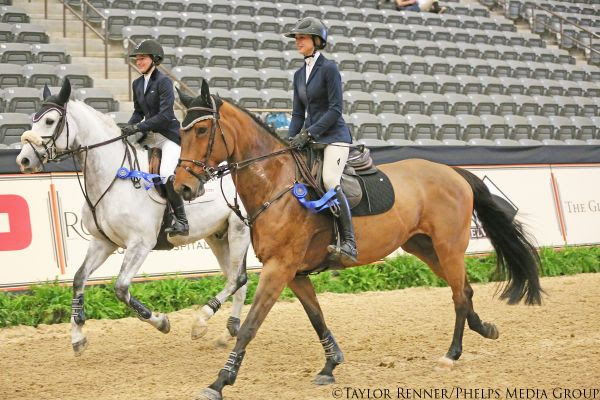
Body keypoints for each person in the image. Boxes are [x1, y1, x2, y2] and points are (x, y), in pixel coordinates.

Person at [284, 17, 358, 263]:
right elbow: (297, 114)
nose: (298, 42)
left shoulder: (329, 69)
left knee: (329, 180)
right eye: (296, 39)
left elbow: (335, 109)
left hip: (334, 137)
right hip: (311, 138)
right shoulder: (298, 74)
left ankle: (349, 242)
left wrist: (309, 133)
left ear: (317, 40)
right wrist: (289, 140)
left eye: (302, 38)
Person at [120, 39, 189, 236]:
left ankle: (181, 221)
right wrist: (127, 128)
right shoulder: (137, 83)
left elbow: (165, 115)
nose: (139, 62)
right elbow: (137, 111)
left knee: (166, 173)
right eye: (137, 59)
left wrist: (138, 126)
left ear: (154, 59)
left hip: (168, 136)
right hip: (149, 136)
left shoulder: (164, 82)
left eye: (143, 58)